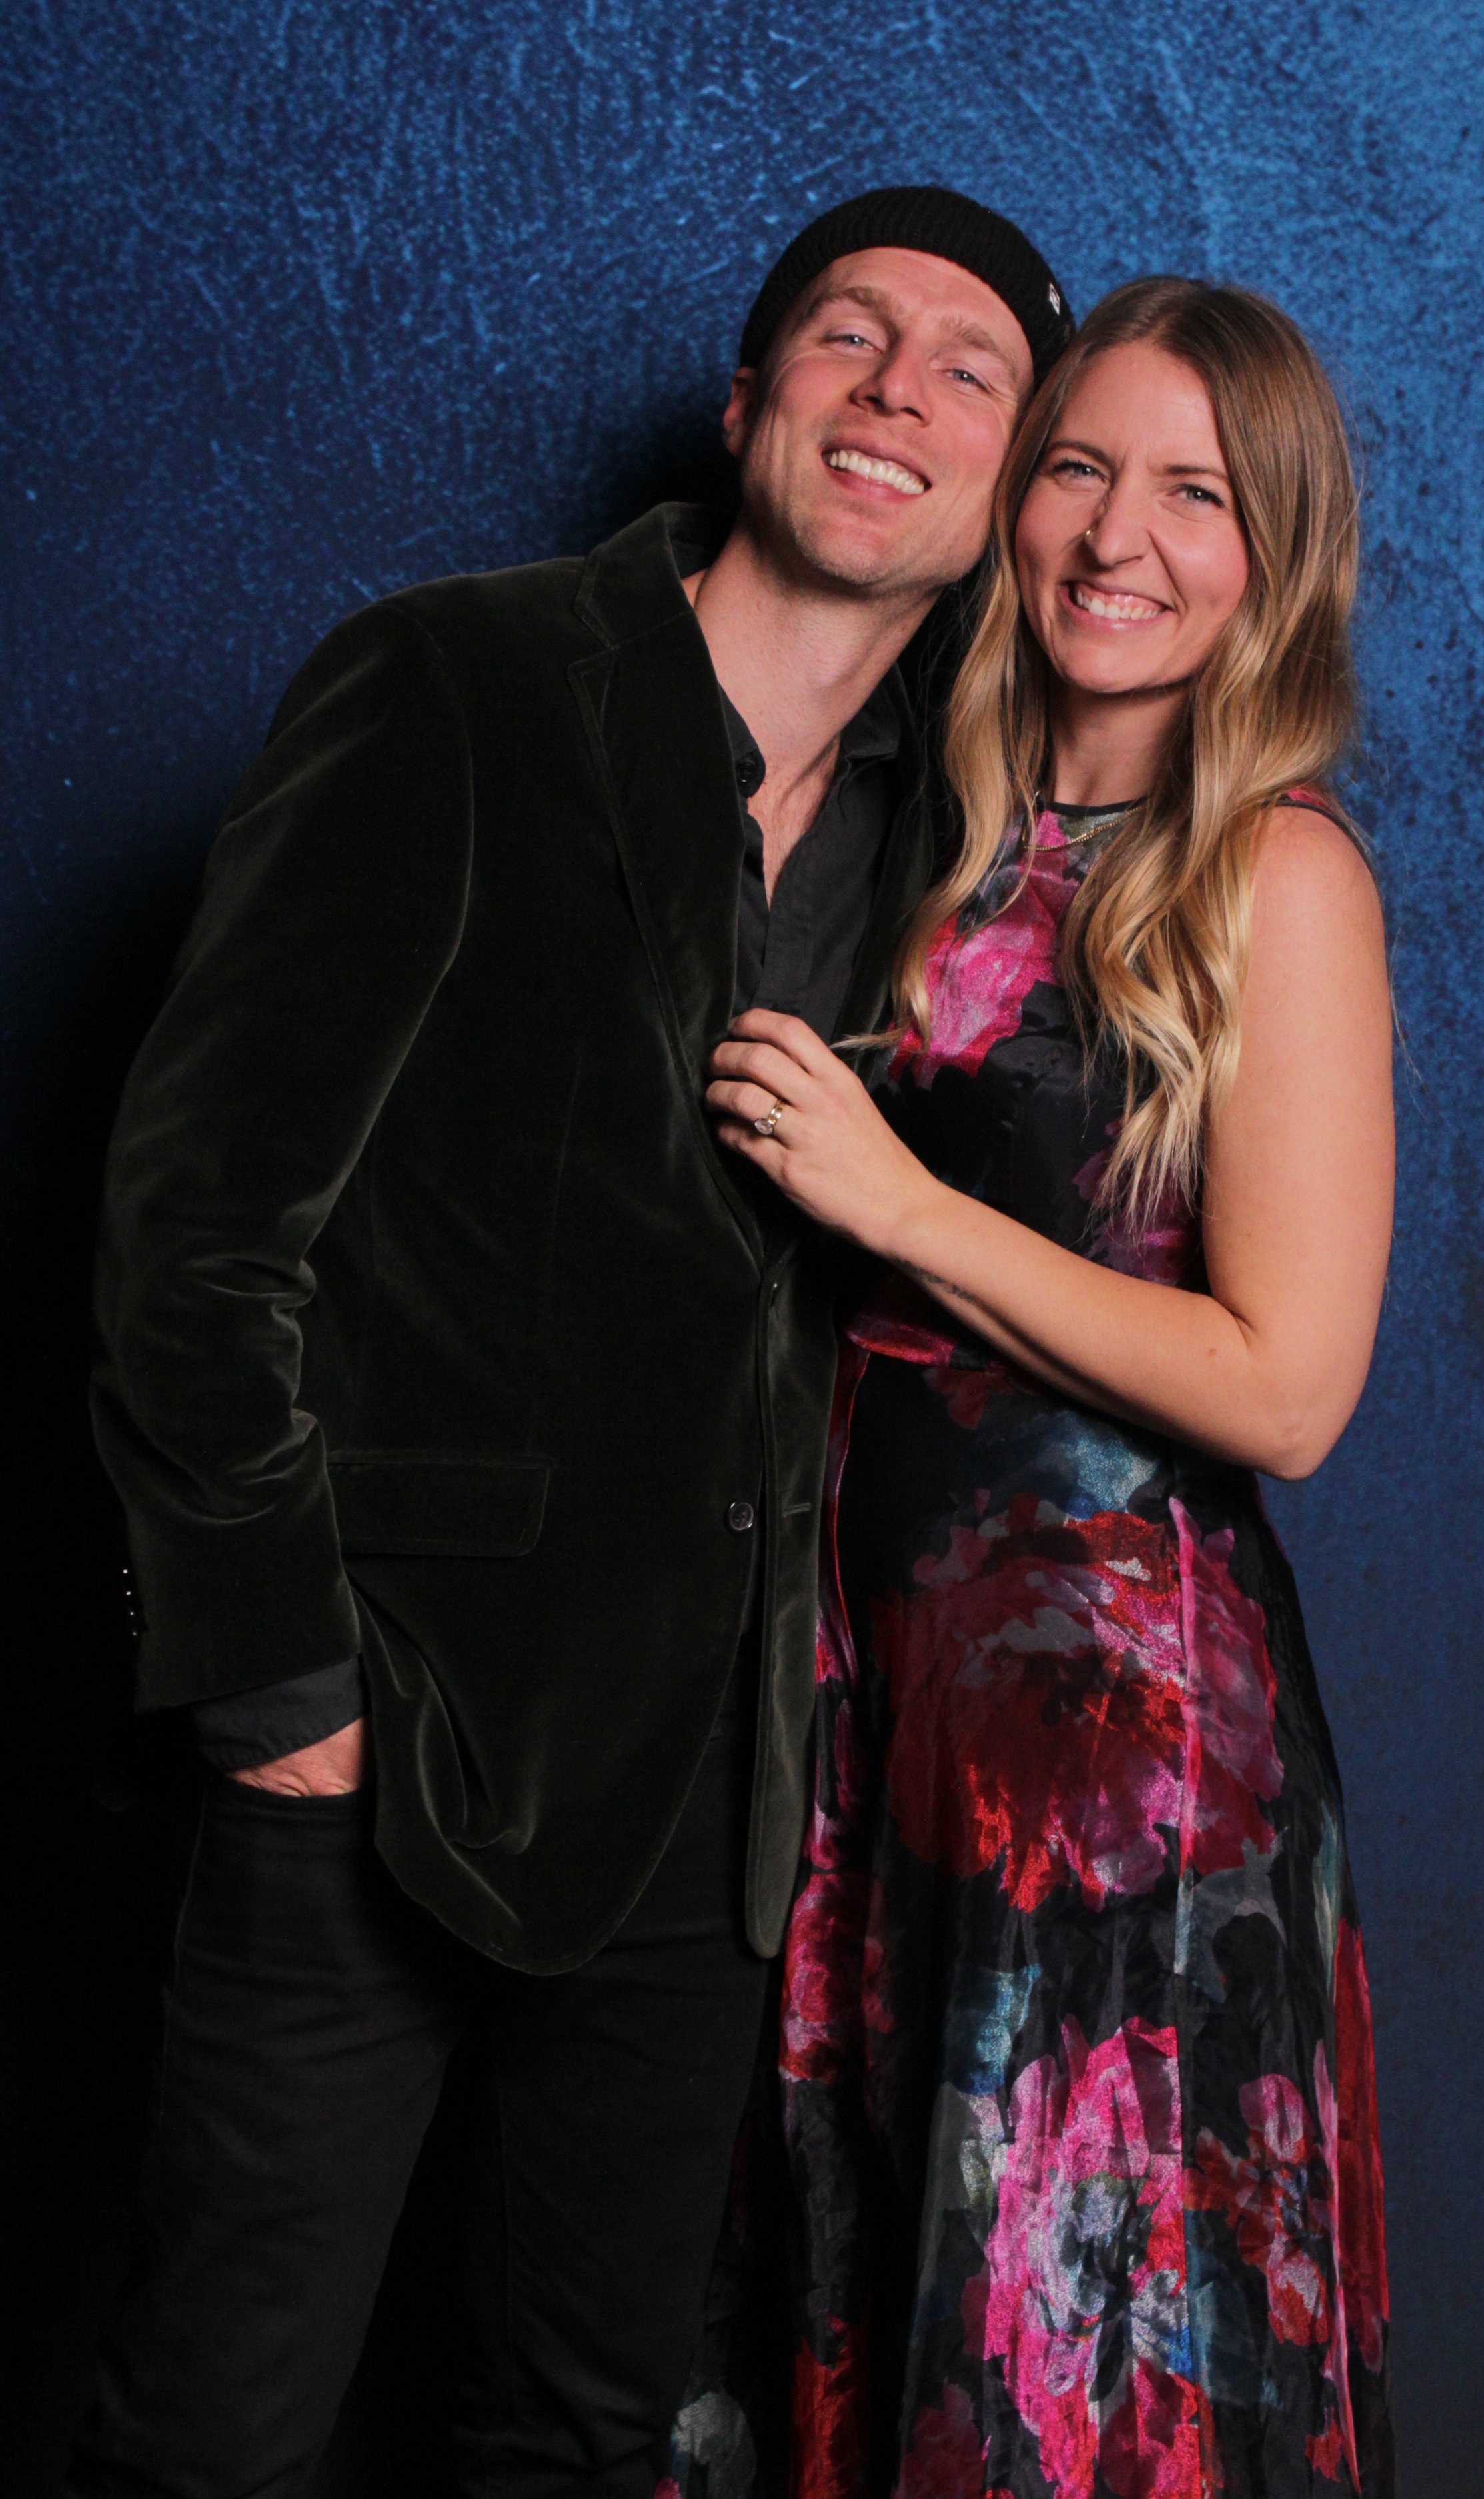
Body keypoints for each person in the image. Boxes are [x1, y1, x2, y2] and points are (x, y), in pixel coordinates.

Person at [73, 189, 1074, 2499]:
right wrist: (278, 1692)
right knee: (215, 2425)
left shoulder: (965, 852)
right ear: (748, 407)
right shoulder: (457, 680)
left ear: (1002, 500)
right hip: (380, 1733)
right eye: (846, 334)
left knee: (581, 2434)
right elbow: (196, 1225)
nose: (893, 384)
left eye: (962, 366)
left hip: (713, 1806)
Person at [704, 279, 1397, 2496]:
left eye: (1197, 494)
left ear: (1269, 557)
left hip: (1113, 1778)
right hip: (859, 1721)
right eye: (1081, 467)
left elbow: (1285, 1388)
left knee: (1071, 2391)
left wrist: (896, 1207)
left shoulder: (1272, 877)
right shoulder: (925, 842)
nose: (1119, 536)